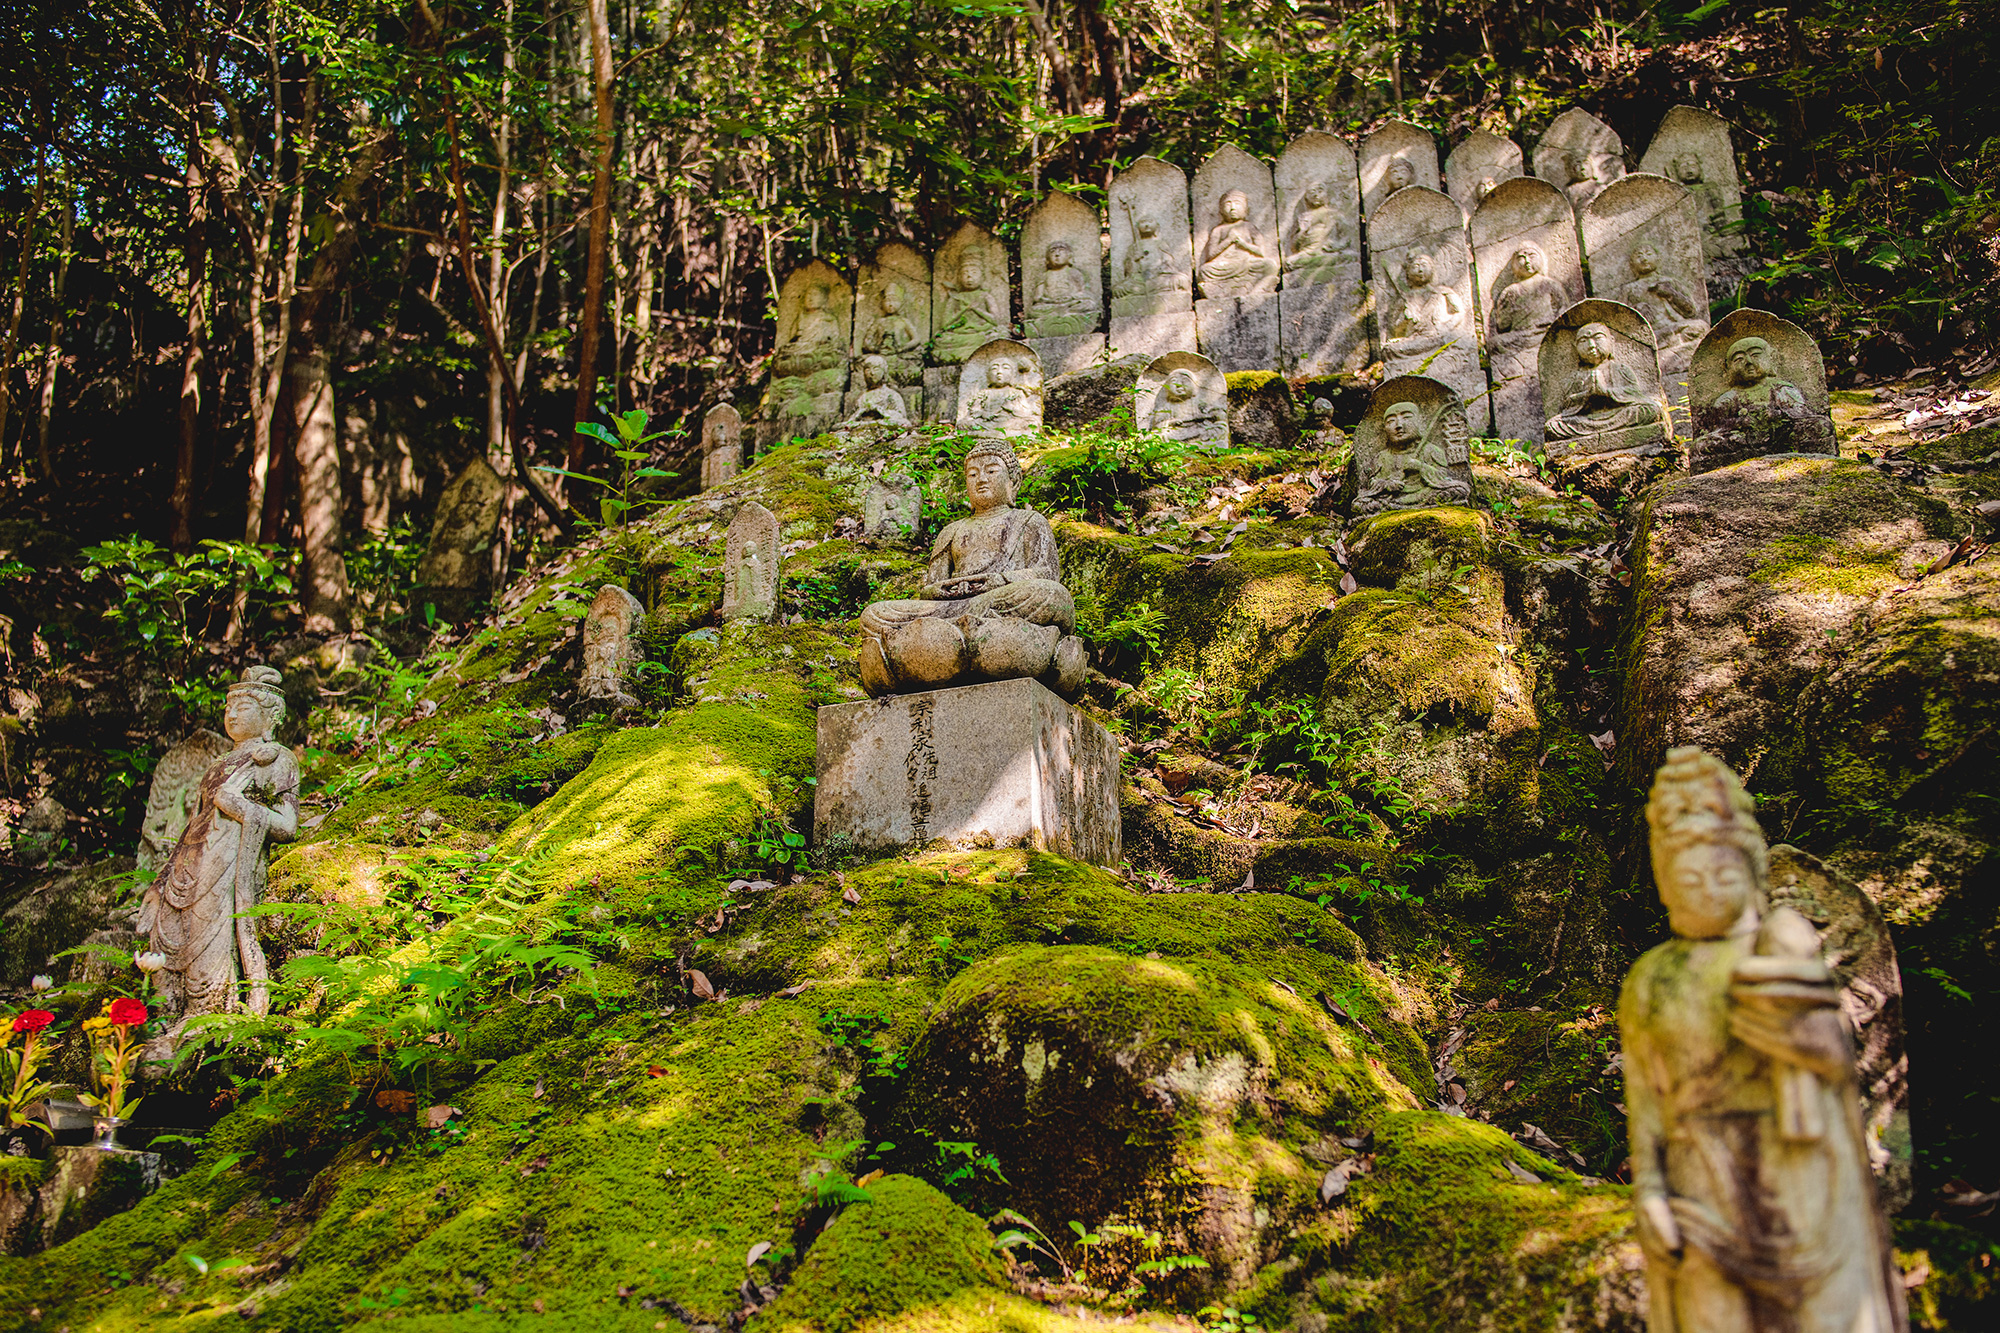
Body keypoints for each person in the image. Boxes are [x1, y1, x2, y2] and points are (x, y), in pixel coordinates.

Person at [1620, 746, 1905, 1333]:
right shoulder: (1650, 979)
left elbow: (1839, 1073)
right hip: (1700, 1180)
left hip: (1800, 1172)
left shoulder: (1781, 946)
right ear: (1663, 884)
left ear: (1753, 875)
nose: (1705, 889)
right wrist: (1649, 1190)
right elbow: (1647, 1101)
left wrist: (1819, 1046)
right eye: (1686, 877)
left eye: (1722, 874)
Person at [857, 440, 1078, 696]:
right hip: (951, 609)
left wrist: (1000, 581)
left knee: (1049, 593)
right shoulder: (951, 531)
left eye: (991, 471)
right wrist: (946, 589)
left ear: (1013, 481)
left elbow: (1046, 574)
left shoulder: (1030, 521)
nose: (981, 479)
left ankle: (965, 632)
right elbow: (929, 590)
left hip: (999, 601)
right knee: (875, 615)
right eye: (972, 474)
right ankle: (957, 632)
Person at [142, 666, 298, 1021]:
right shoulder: (216, 765)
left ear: (269, 716)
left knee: (209, 941)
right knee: (166, 935)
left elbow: (288, 826)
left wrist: (239, 807)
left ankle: (205, 1016)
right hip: (192, 858)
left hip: (227, 861)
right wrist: (160, 882)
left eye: (242, 707)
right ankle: (165, 1017)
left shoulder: (279, 759)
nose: (232, 715)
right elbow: (193, 824)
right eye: (228, 707)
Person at [1546, 321, 1663, 439]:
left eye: (1598, 338)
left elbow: (1634, 393)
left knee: (1650, 409)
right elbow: (1567, 404)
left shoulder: (1620, 369)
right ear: (1575, 346)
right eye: (1583, 341)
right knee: (1553, 425)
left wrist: (1606, 392)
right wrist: (1587, 395)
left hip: (1617, 414)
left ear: (1611, 341)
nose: (1591, 345)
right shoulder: (1575, 377)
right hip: (1586, 419)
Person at [1354, 400, 1472, 514]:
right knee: (1360, 504)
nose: (1399, 425)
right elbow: (1373, 482)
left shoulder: (1430, 450)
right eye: (1391, 421)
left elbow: (1443, 476)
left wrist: (1420, 467)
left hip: (1424, 494)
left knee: (1459, 490)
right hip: (1392, 498)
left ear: (1420, 423)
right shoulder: (1382, 457)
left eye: (1406, 418)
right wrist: (1387, 484)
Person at [1617, 243, 1708, 359]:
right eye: (1639, 256)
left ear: (1658, 258)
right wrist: (1636, 311)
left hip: (1676, 327)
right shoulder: (1629, 289)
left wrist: (1671, 294)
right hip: (1652, 333)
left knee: (1700, 326)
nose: (1644, 259)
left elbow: (1691, 311)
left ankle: (1672, 346)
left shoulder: (1669, 282)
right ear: (1631, 263)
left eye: (1648, 254)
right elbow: (1619, 321)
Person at [1381, 253, 1465, 367]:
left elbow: (1459, 312)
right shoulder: (1405, 300)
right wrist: (1404, 319)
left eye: (1424, 265)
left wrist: (1446, 327)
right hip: (1415, 339)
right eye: (1415, 266)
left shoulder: (1443, 292)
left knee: (1451, 340)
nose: (1420, 270)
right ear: (1408, 273)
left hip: (1436, 335)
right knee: (1389, 350)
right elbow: (1395, 329)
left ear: (1432, 269)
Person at [1486, 244, 1570, 354]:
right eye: (1521, 258)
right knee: (1494, 343)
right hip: (1521, 334)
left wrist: (1554, 325)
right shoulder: (1512, 290)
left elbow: (1563, 308)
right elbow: (1503, 324)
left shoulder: (1549, 284)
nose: (1527, 261)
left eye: (1532, 256)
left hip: (1544, 331)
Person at [1197, 188, 1278, 295]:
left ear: (1246, 209)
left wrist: (1243, 244)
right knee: (1204, 270)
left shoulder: (1249, 227)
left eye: (1237, 203)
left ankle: (1256, 288)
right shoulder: (1218, 230)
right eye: (1228, 204)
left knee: (1270, 265)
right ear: (1221, 210)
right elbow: (1211, 254)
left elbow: (1261, 252)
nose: (1232, 208)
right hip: (1225, 265)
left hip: (1247, 262)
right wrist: (1228, 241)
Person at [934, 253, 1003, 361]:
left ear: (982, 276)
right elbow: (945, 324)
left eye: (974, 272)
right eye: (965, 273)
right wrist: (963, 310)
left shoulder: (985, 296)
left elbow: (995, 320)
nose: (969, 276)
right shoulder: (956, 298)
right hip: (960, 334)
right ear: (959, 277)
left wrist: (976, 309)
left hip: (982, 332)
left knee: (998, 335)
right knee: (941, 340)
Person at [1283, 182, 1353, 285]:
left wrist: (1336, 245)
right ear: (1307, 198)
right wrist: (1302, 232)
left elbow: (1347, 237)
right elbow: (1294, 246)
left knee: (1349, 257)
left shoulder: (1333, 214)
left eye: (1320, 191)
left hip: (1327, 252)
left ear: (1326, 194)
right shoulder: (1303, 218)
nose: (1316, 195)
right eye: (1312, 192)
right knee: (1289, 263)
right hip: (1307, 254)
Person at [958, 353, 1041, 439]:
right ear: (988, 374)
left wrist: (1011, 408)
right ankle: (999, 433)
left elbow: (1024, 413)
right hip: (985, 422)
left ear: (1013, 374)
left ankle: (988, 434)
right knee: (963, 424)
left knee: (1031, 423)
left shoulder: (1015, 393)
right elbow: (973, 413)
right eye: (994, 368)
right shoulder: (983, 393)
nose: (999, 372)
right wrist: (980, 415)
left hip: (1008, 422)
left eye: (1005, 368)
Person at [1711, 336, 1805, 409]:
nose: (1748, 361)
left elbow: (1802, 415)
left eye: (1755, 355)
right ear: (1728, 368)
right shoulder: (1728, 399)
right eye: (1739, 359)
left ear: (1771, 358)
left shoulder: (1782, 390)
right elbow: (1718, 423)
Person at [773, 284, 843, 378]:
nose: (810, 298)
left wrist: (826, 344)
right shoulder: (801, 318)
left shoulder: (828, 319)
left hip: (819, 351)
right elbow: (793, 337)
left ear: (824, 300)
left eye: (815, 295)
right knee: (785, 356)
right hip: (801, 350)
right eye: (808, 295)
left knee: (828, 357)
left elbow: (835, 340)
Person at [1146, 367, 1225, 444]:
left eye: (1184, 381)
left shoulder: (1199, 403)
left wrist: (1216, 415)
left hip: (1196, 430)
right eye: (1174, 381)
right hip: (1175, 432)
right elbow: (1157, 425)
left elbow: (1217, 414)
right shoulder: (1166, 406)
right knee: (1154, 437)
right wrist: (1171, 422)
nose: (1179, 385)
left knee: (1217, 430)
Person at [839, 354, 912, 431]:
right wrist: (861, 411)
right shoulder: (860, 398)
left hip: (883, 424)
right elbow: (849, 421)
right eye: (867, 369)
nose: (872, 373)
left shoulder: (891, 395)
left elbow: (902, 419)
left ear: (884, 372)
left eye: (876, 369)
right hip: (862, 425)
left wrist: (879, 410)